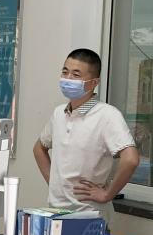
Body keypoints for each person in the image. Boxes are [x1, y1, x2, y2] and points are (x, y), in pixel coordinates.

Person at [33, 49, 139, 217]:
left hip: (89, 215)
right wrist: (54, 183)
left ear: (93, 82)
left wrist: (107, 194)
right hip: (55, 211)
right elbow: (39, 149)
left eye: (76, 75)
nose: (68, 78)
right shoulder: (59, 113)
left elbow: (131, 159)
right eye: (65, 72)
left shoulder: (107, 115)